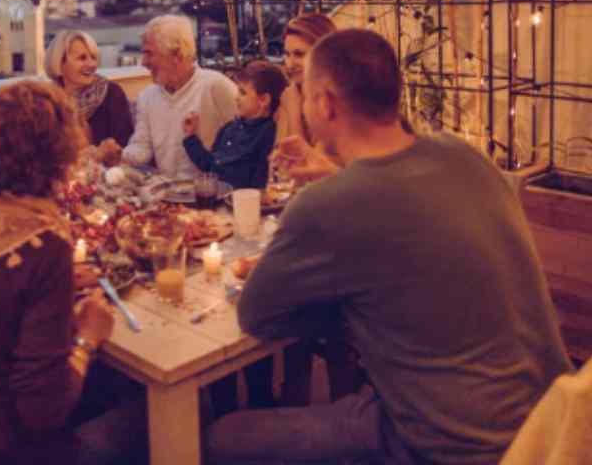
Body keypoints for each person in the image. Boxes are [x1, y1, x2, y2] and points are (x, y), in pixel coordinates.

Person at [209, 29, 572, 464]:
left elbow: (257, 315)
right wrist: (332, 175)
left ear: (325, 103)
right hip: (554, 422)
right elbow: (405, 211)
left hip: (448, 443)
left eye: (305, 92)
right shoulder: (464, 157)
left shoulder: (324, 206)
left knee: (224, 437)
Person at [0, 80, 140, 464]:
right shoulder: (41, 247)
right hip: (1, 450)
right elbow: (43, 411)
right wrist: (87, 338)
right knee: (157, 409)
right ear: (56, 158)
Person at [121, 14, 238, 178]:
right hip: (169, 198)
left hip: (213, 194)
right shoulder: (147, 97)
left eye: (149, 53)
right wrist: (120, 155)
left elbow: (245, 143)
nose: (143, 62)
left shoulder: (216, 87)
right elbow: (141, 148)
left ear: (177, 55)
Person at [183, 61, 288, 189]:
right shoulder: (228, 129)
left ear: (264, 100)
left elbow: (260, 184)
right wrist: (190, 137)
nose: (236, 98)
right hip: (218, 199)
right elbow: (210, 165)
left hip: (243, 203)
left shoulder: (269, 134)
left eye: (243, 93)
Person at [45, 29, 134, 149]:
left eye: (93, 57)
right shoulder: (47, 99)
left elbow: (124, 146)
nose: (91, 64)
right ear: (60, 63)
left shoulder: (112, 93)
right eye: (82, 58)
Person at [276, 13, 337, 144]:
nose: (289, 64)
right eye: (287, 54)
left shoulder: (337, 103)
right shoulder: (291, 94)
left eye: (299, 54)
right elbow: (277, 160)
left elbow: (308, 163)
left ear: (324, 54)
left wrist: (293, 113)